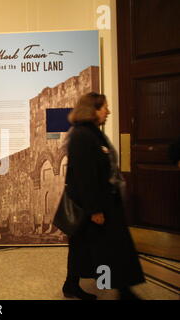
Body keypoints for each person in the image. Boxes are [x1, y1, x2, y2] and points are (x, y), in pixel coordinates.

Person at [62, 92, 145, 300]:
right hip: (95, 204)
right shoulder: (82, 135)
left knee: (88, 247)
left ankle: (77, 285)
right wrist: (94, 210)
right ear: (93, 110)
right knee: (107, 249)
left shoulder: (92, 133)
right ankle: (121, 290)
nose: (108, 111)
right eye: (104, 107)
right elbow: (85, 177)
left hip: (103, 201)